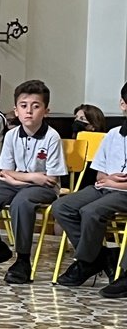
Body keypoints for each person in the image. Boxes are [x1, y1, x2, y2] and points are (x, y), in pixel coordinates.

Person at [0, 80, 67, 284]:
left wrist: (17, 178)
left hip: (44, 189)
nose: (29, 111)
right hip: (19, 183)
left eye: (36, 106)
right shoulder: (12, 135)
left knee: (21, 202)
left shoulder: (52, 137)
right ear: (16, 110)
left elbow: (50, 179)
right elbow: (3, 171)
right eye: (23, 106)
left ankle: (22, 259)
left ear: (46, 111)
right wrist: (31, 177)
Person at [52, 82, 127, 290]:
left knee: (91, 211)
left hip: (123, 192)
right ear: (123, 104)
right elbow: (100, 173)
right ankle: (101, 256)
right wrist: (109, 180)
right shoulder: (113, 135)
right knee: (61, 207)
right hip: (105, 186)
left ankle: (85, 261)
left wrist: (114, 183)